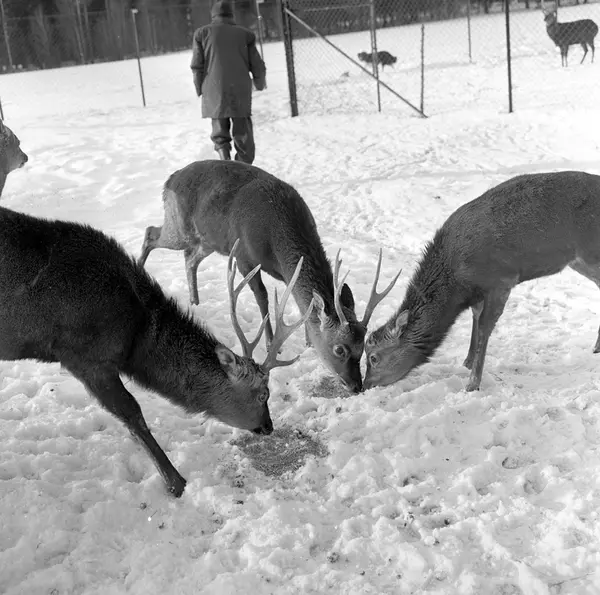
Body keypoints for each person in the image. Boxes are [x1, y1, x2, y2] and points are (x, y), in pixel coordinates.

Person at [190, 0, 267, 164]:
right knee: (243, 133)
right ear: (232, 14)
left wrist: (199, 88)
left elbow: (197, 66)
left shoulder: (201, 34)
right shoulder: (245, 35)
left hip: (214, 88)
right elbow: (258, 65)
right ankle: (242, 167)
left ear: (213, 15)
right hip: (239, 89)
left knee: (219, 132)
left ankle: (225, 162)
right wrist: (259, 83)